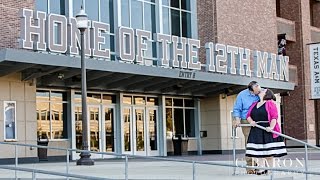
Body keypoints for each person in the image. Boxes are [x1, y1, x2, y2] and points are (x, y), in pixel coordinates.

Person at [246, 89, 287, 175]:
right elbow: (248, 115)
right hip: (256, 129)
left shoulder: (270, 103)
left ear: (267, 94)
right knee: (258, 152)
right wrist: (251, 122)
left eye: (263, 90)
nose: (261, 91)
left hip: (266, 129)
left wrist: (271, 127)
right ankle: (262, 169)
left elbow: (274, 117)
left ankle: (271, 169)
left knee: (269, 153)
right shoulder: (254, 104)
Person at [233, 81, 261, 174]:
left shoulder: (261, 92)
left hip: (258, 121)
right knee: (249, 143)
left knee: (259, 143)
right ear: (251, 90)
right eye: (256, 91)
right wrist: (237, 120)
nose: (258, 92)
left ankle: (259, 165)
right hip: (246, 120)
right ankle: (250, 167)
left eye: (259, 89)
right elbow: (237, 109)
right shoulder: (242, 95)